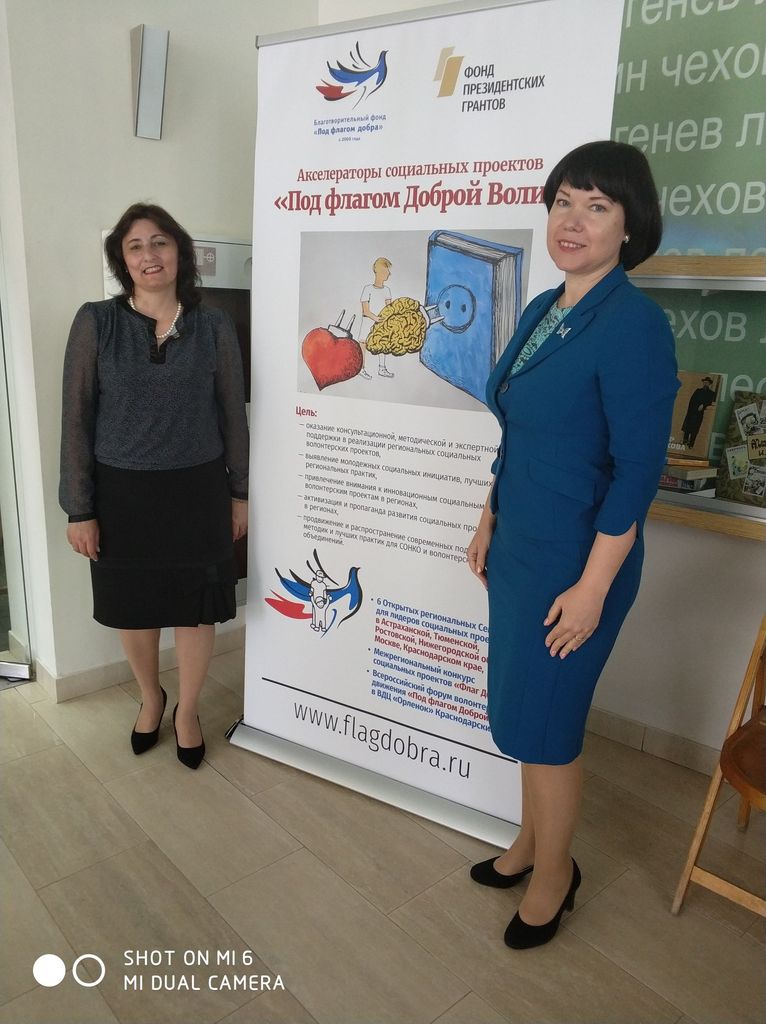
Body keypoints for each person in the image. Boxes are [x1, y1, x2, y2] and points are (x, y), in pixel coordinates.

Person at [466, 141, 679, 949]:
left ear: (629, 226)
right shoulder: (544, 308)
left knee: (549, 728)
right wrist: (488, 516)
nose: (573, 220)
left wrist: (592, 589)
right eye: (564, 201)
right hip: (521, 548)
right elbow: (518, 427)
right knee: (524, 714)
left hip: (578, 564)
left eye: (597, 206)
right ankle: (530, 844)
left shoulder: (634, 325)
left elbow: (637, 473)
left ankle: (557, 875)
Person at [60, 203, 249, 770]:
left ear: (180, 253)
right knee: (134, 609)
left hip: (198, 492)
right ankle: (151, 697)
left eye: (160, 242)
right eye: (136, 245)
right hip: (122, 496)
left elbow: (232, 414)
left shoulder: (212, 326)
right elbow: (76, 417)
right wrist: (79, 508)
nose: (150, 255)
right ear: (122, 260)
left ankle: (187, 711)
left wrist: (240, 493)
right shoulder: (96, 322)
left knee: (195, 611)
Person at [358, 257, 393, 378]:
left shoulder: (387, 290)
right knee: (363, 342)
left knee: (382, 342)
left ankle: (382, 368)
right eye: (386, 270)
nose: (389, 273)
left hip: (381, 322)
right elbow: (365, 310)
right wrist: (375, 318)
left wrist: (386, 320)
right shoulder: (367, 289)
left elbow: (389, 308)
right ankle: (361, 368)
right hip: (368, 321)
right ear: (379, 271)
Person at [681, 375, 716, 448]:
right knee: (688, 426)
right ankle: (685, 440)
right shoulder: (698, 391)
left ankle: (691, 444)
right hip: (692, 411)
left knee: (695, 428)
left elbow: (710, 402)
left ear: (709, 384)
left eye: (707, 383)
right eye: (704, 382)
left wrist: (703, 405)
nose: (705, 384)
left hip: (699, 413)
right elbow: (692, 400)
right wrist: (689, 411)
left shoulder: (711, 393)